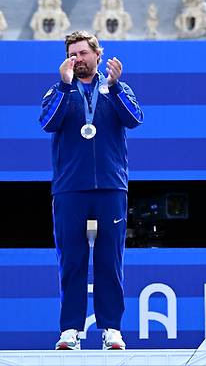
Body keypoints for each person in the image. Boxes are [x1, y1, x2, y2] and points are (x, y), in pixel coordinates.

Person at [39, 30, 143, 350]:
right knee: (72, 259)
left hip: (110, 186)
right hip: (70, 188)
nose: (78, 59)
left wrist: (113, 89)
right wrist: (65, 85)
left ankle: (111, 328)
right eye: (73, 54)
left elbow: (135, 118)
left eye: (84, 53)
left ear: (98, 55)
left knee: (110, 259)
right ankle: (70, 329)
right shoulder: (58, 91)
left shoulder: (116, 89)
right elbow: (48, 123)